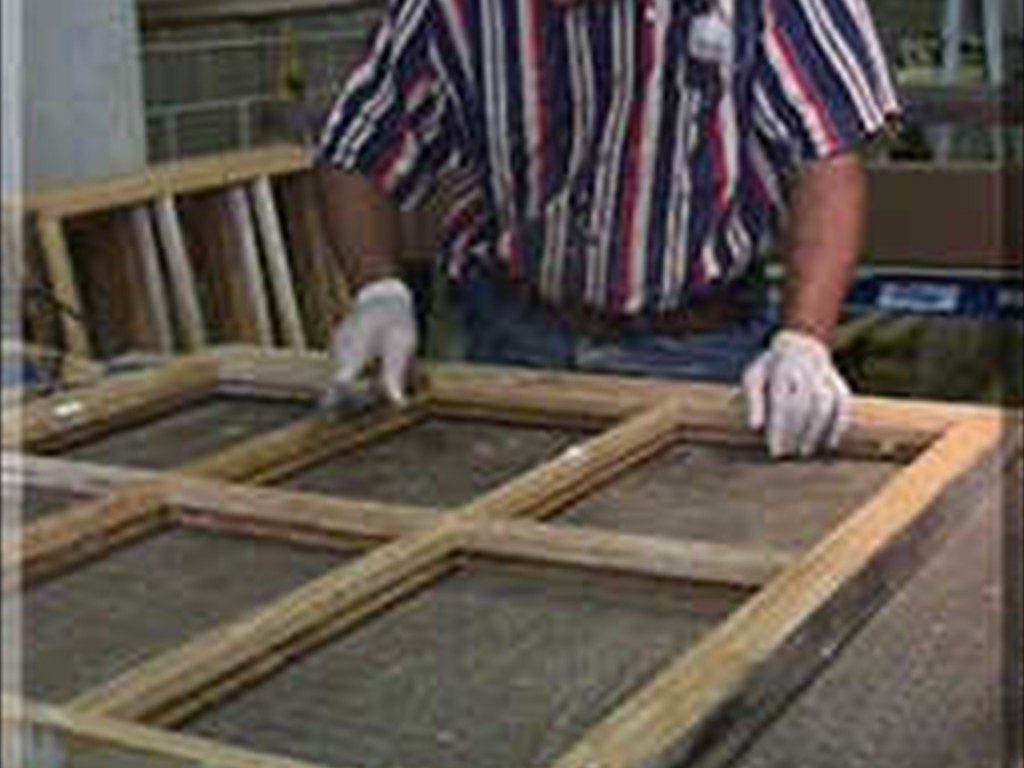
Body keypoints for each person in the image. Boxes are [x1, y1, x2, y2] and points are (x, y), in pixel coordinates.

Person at [315, 0, 899, 457]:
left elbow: (827, 161)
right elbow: (358, 147)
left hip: (697, 344)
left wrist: (804, 340)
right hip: (514, 335)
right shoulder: (451, 11)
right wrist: (379, 291)